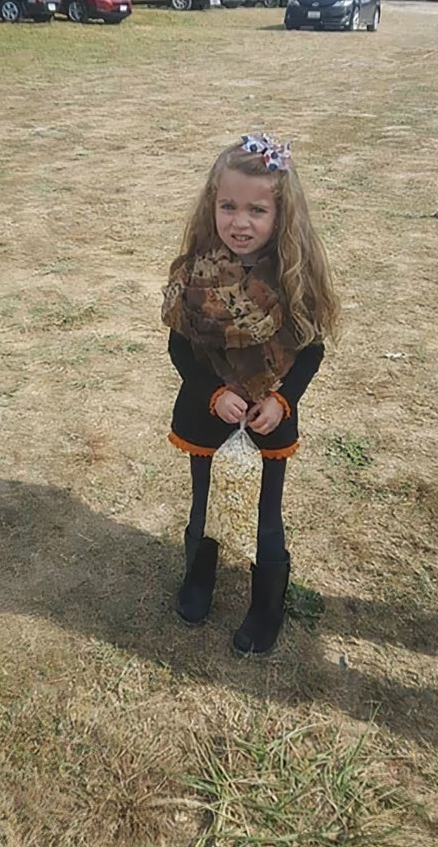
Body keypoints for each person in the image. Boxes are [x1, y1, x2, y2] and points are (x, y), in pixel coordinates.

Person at [161, 133, 340, 655]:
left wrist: (283, 401)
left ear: (281, 215)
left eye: (257, 209)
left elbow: (309, 353)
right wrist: (213, 392)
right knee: (205, 506)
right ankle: (199, 578)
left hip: (268, 420)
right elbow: (182, 350)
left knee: (265, 515)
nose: (240, 222)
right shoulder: (196, 275)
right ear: (211, 205)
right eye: (228, 206)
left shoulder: (293, 279)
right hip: (205, 415)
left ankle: (266, 607)